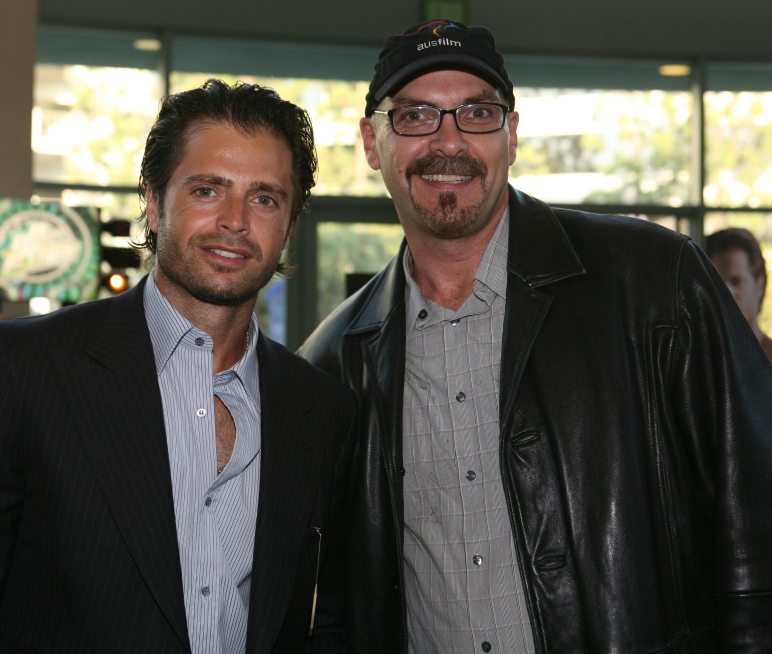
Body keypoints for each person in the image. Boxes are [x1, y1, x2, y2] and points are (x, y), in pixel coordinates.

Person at [299, 19, 772, 654]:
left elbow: (757, 516)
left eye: (477, 112)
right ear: (370, 141)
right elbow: (335, 601)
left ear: (513, 135)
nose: (449, 142)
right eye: (414, 115)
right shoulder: (336, 359)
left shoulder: (655, 281)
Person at [0, 79, 355, 654]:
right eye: (208, 190)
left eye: (265, 198)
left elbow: (326, 614)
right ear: (153, 202)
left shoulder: (322, 409)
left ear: (289, 226)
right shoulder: (25, 370)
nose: (236, 221)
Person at [706, 227, 772, 361]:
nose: (726, 292)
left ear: (759, 284)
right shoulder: (700, 361)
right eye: (717, 282)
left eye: (736, 281)